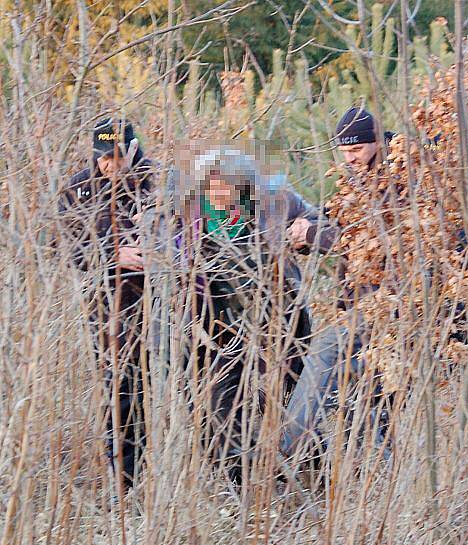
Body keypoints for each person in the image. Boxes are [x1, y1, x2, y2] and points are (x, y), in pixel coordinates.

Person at [279, 107, 468, 459]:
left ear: (379, 142)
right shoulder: (359, 180)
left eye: (357, 151)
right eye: (343, 154)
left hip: (403, 318)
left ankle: (283, 455)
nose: (350, 160)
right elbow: (342, 228)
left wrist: (316, 234)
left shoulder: (411, 180)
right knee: (368, 411)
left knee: (329, 354)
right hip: (375, 315)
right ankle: (363, 489)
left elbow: (384, 240)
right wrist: (303, 236)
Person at [160, 147, 338, 482]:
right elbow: (163, 249)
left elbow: (329, 233)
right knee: (219, 406)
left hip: (277, 318)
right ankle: (248, 489)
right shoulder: (187, 210)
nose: (218, 194)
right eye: (210, 187)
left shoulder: (274, 200)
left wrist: (308, 232)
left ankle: (316, 477)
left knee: (291, 399)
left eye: (226, 186)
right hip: (214, 322)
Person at [59, 117, 156, 489]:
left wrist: (157, 248)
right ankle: (125, 483)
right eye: (103, 158)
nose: (110, 165)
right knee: (121, 387)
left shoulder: (157, 182)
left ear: (132, 150)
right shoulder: (79, 188)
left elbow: (189, 233)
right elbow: (65, 245)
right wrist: (113, 253)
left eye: (117, 156)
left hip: (163, 302)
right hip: (107, 308)